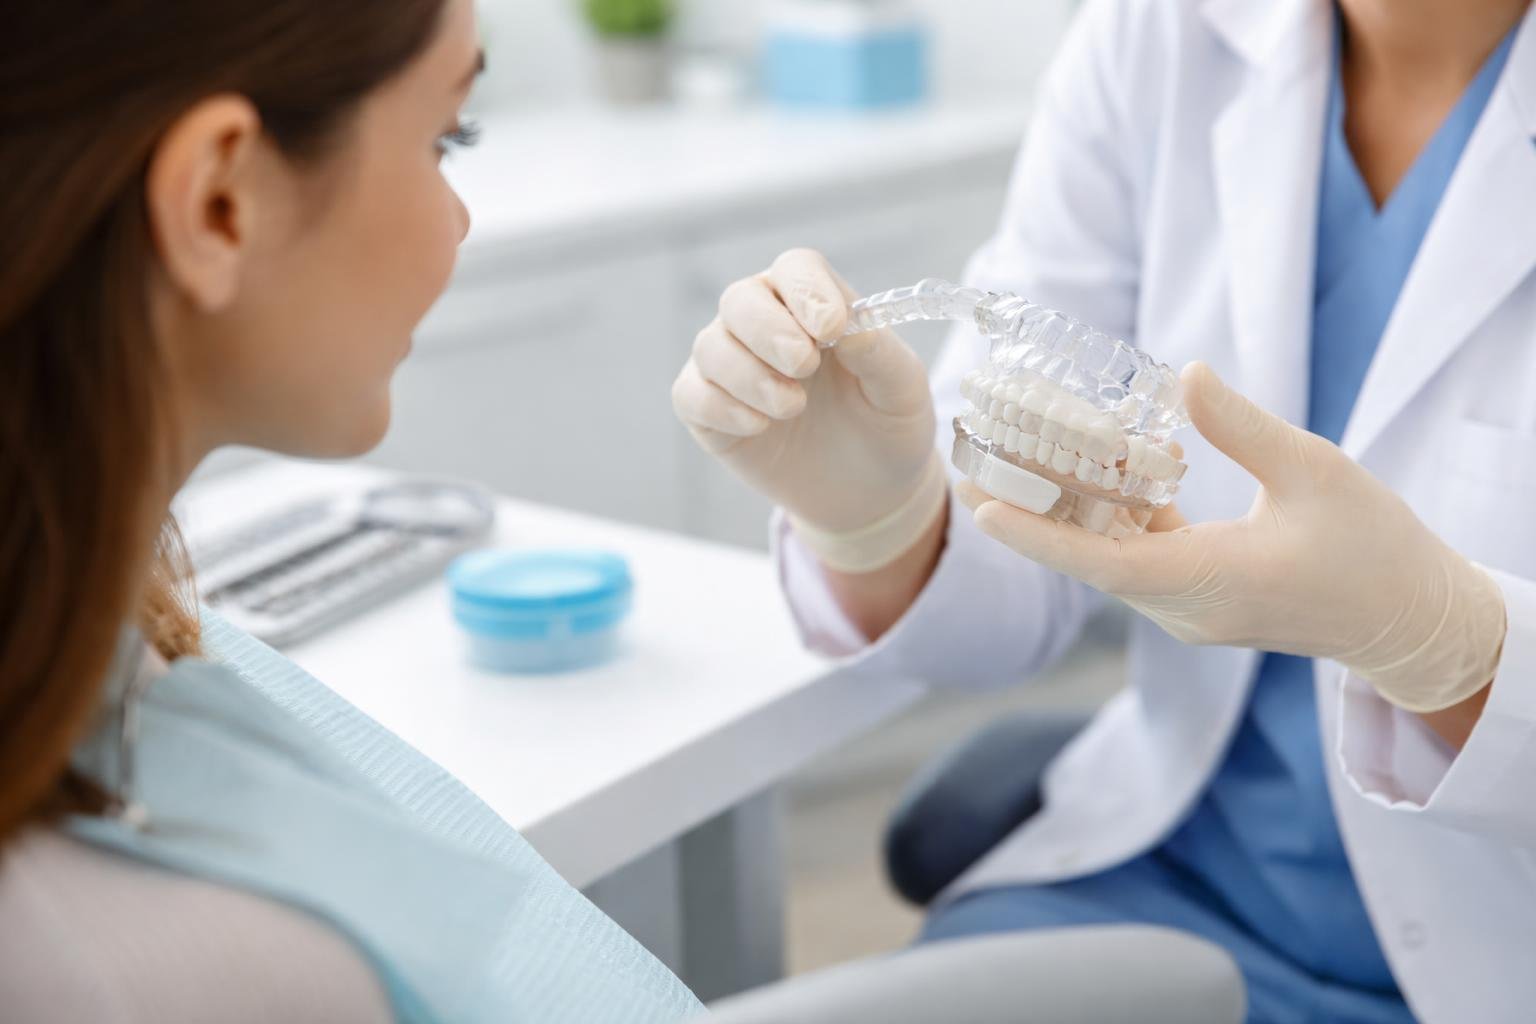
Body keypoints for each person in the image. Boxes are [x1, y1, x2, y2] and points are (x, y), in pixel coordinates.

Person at [673, 0, 1536, 1020]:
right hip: (1159, 882)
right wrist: (878, 518)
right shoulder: (1157, 33)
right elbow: (1016, 586)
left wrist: (1452, 646)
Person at [0, 3, 702, 1021]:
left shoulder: (101, 626)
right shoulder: (189, 973)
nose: (458, 218)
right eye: (441, 139)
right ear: (220, 204)